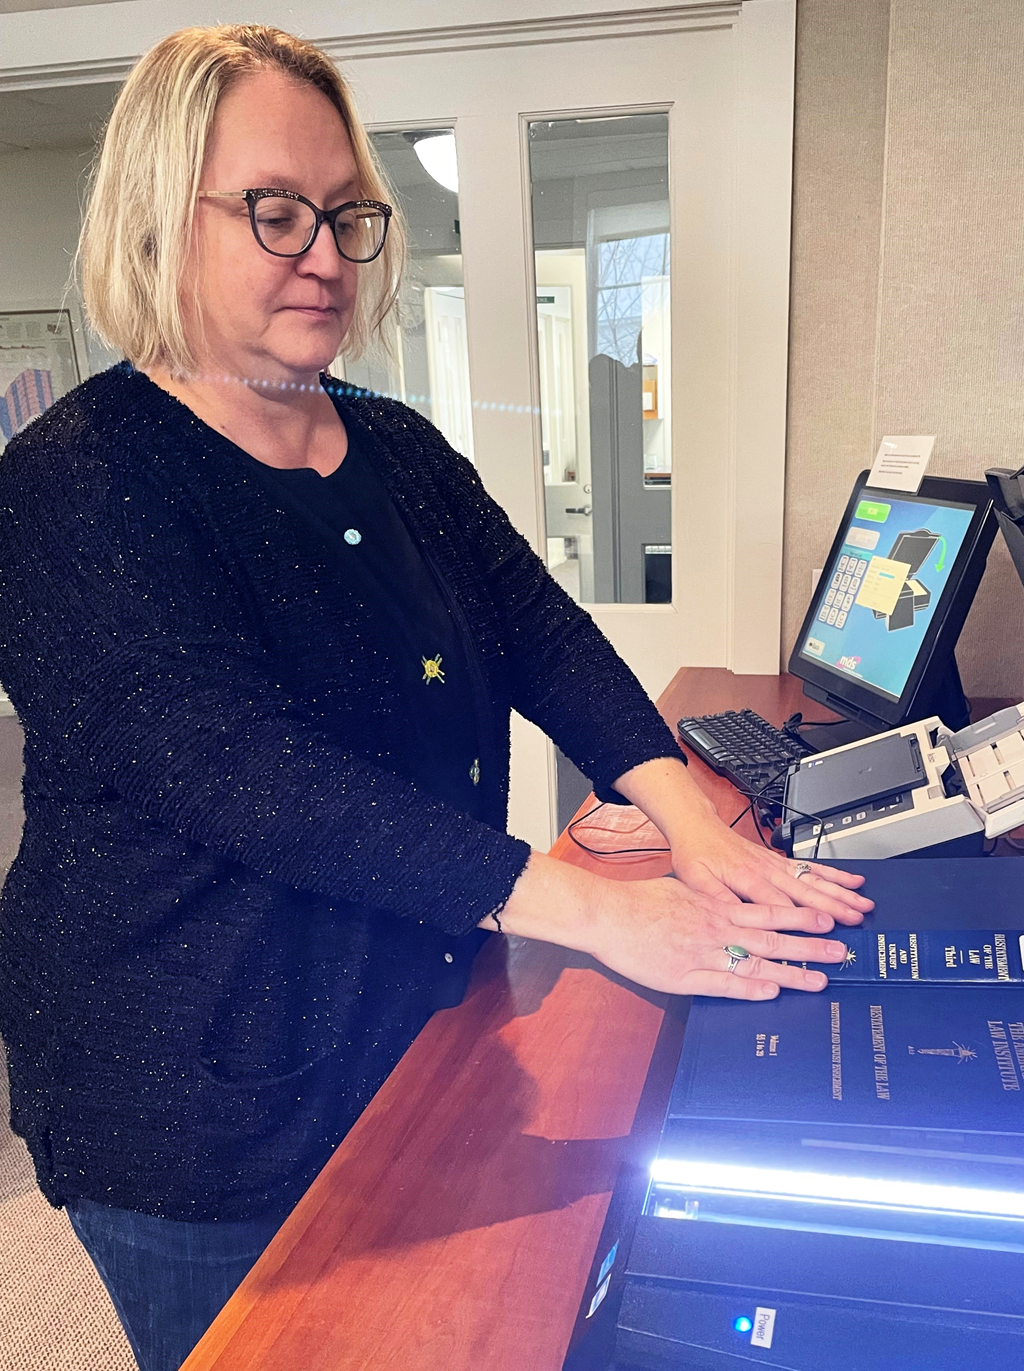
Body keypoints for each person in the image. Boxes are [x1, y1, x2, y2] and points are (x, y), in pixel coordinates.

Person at [0, 24, 870, 1371]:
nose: (327, 252)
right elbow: (245, 773)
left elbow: (541, 635)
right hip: (194, 1093)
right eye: (274, 211)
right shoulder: (73, 483)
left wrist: (688, 819)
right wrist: (593, 909)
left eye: (348, 213)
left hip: (410, 1006)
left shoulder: (396, 445)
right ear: (160, 219)